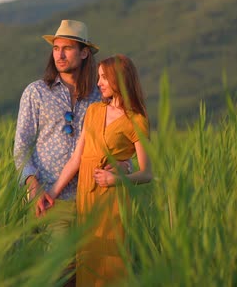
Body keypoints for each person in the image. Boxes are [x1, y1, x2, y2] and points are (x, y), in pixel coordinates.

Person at [14, 20, 128, 286]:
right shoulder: (36, 93)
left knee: (92, 273)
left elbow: (118, 140)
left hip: (96, 199)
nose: (60, 55)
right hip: (53, 198)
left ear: (85, 52)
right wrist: (32, 184)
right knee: (61, 268)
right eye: (56, 48)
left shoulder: (99, 96)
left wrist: (124, 165)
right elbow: (21, 146)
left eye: (67, 48)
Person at [46, 54, 153, 286]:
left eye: (104, 77)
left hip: (112, 200)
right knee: (87, 257)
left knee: (110, 259)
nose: (98, 83)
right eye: (98, 77)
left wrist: (115, 179)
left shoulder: (137, 120)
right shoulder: (94, 111)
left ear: (119, 79)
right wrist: (51, 194)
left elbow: (147, 173)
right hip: (86, 195)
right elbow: (76, 159)